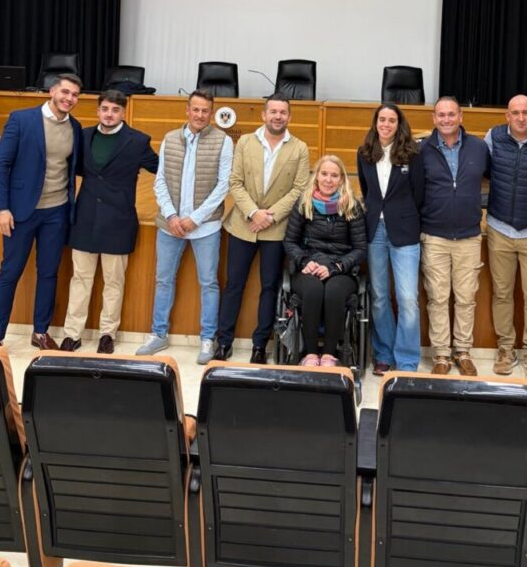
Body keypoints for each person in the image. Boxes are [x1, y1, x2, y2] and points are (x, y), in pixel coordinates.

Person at [136, 89, 233, 364]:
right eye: (196, 110)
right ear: (187, 111)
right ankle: (158, 334)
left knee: (209, 283)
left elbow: (223, 185)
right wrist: (171, 216)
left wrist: (195, 218)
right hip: (171, 225)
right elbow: (160, 181)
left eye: (205, 111)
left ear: (211, 114)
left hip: (205, 226)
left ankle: (207, 339)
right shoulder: (169, 138)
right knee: (163, 279)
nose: (200, 115)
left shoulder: (223, 141)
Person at [60, 90, 159, 353]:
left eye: (115, 110)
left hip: (119, 220)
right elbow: (73, 168)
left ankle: (107, 333)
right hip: (85, 218)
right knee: (80, 279)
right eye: (105, 109)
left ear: (123, 112)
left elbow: (162, 169)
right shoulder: (84, 136)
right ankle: (73, 333)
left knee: (114, 282)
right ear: (98, 111)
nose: (109, 114)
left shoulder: (137, 141)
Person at [0, 73, 83, 348]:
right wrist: (1, 208)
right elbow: (0, 165)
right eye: (65, 92)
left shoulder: (75, 128)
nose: (69, 98)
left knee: (48, 273)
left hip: (57, 212)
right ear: (52, 91)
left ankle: (40, 332)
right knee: (10, 273)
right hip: (20, 212)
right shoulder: (21, 119)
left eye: (75, 95)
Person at [215, 92, 310, 363]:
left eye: (282, 112)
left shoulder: (299, 148)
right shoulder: (245, 141)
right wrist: (254, 212)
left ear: (289, 117)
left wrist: (270, 215)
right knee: (234, 284)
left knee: (269, 287)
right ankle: (224, 342)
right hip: (243, 225)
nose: (277, 116)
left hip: (276, 228)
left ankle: (259, 346)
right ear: (264, 115)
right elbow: (235, 181)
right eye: (273, 112)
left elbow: (299, 188)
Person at [484, 94, 527, 381]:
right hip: (499, 228)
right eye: (515, 113)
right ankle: (505, 349)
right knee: (502, 293)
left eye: (526, 112)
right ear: (507, 116)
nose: (521, 118)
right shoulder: (493, 137)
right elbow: (482, 171)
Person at [419, 95, 490, 376]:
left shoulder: (479, 148)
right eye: (441, 115)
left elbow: (493, 179)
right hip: (434, 235)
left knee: (465, 297)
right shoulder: (422, 149)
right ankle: (441, 355)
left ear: (461, 117)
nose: (446, 119)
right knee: (437, 297)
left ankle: (462, 351)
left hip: (469, 236)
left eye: (451, 114)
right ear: (434, 119)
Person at [357, 102, 424, 374]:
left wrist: (404, 215)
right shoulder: (364, 153)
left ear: (399, 124)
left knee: (408, 297)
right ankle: (384, 353)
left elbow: (419, 194)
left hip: (405, 231)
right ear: (375, 123)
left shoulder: (413, 154)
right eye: (381, 120)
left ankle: (407, 359)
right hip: (375, 231)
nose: (386, 124)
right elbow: (366, 190)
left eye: (391, 120)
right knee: (379, 297)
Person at [283, 155, 367, 367]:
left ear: (341, 180)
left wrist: (336, 267)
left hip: (341, 269)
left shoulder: (352, 205)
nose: (328, 179)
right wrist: (304, 262)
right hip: (309, 265)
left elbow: (360, 249)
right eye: (324, 174)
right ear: (317, 176)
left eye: (334, 175)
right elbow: (290, 241)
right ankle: (310, 354)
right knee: (313, 290)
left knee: (333, 291)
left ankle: (329, 354)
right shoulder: (304, 202)